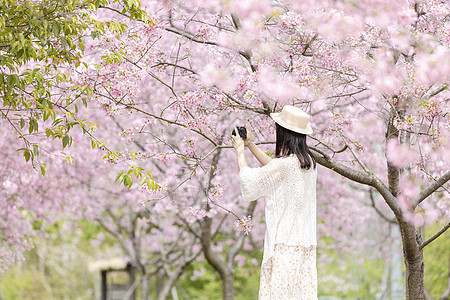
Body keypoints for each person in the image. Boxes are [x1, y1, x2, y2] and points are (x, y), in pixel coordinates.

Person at [231, 105, 318, 300]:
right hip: (304, 246)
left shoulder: (286, 164)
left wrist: (240, 152)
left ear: (284, 133)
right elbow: (277, 169)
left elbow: (250, 182)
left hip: (284, 245)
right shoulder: (309, 163)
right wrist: (251, 145)